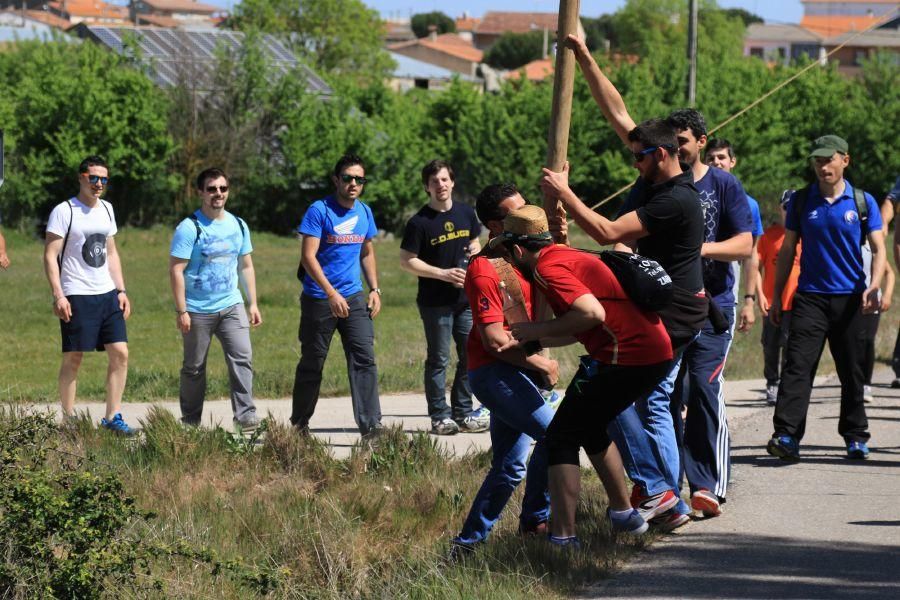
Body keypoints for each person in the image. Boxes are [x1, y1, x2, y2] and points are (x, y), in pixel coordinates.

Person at [544, 33, 746, 524]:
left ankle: (666, 491)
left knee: (643, 396)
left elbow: (611, 229)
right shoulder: (654, 172)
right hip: (660, 306)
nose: (631, 160)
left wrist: (564, 192)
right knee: (632, 397)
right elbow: (617, 112)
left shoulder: (674, 197)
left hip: (676, 314)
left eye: (640, 155)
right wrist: (585, 55)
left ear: (665, 154)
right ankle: (662, 493)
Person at [500, 205, 673, 544]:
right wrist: (535, 337)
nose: (507, 260)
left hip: (627, 356)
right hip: (650, 351)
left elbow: (591, 313)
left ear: (518, 249)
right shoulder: (566, 255)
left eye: (507, 253)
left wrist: (536, 327)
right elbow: (580, 326)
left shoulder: (548, 268)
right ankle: (625, 515)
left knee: (561, 437)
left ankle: (563, 538)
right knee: (589, 425)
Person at [450, 185, 560, 556]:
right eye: (518, 214)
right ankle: (535, 519)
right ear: (497, 225)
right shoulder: (484, 270)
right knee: (555, 436)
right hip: (495, 374)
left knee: (511, 466)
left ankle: (467, 544)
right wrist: (540, 362)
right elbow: (495, 341)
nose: (528, 216)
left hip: (520, 372)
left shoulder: (526, 256)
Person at [767, 135, 885, 461]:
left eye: (829, 159)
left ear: (845, 160)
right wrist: (777, 297)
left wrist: (874, 285)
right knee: (797, 367)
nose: (823, 166)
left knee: (852, 370)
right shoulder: (802, 201)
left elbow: (878, 248)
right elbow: (788, 249)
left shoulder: (863, 202)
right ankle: (786, 436)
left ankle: (855, 435)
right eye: (817, 160)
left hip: (850, 298)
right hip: (810, 298)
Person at [290, 154, 384, 438]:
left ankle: (371, 428)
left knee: (364, 359)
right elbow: (308, 257)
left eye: (359, 179)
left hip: (354, 297)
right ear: (336, 180)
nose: (353, 183)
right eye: (347, 178)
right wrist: (330, 294)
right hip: (320, 298)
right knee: (313, 363)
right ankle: (299, 427)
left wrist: (375, 289)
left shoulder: (364, 212)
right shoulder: (319, 210)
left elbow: (366, 252)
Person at [42, 156, 133, 434]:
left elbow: (112, 252)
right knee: (74, 356)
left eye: (104, 179)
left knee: (120, 353)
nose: (99, 184)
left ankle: (112, 418)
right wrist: (59, 295)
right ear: (81, 177)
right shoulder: (65, 211)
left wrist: (121, 290)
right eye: (94, 178)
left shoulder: (106, 209)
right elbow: (50, 255)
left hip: (106, 293)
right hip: (76, 294)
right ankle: (68, 421)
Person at [400, 160, 489, 435]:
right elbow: (407, 261)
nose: (441, 185)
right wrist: (441, 274)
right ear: (427, 187)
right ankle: (440, 416)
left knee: (470, 355)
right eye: (434, 181)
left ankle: (462, 412)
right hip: (435, 302)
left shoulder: (466, 213)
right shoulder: (419, 223)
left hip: (465, 300)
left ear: (452, 182)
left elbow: (476, 240)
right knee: (439, 359)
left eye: (445, 179)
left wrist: (475, 249)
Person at [169, 168, 262, 430]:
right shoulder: (189, 228)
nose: (218, 194)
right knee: (194, 368)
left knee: (242, 358)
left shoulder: (238, 225)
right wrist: (182, 310)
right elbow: (176, 270)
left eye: (223, 188)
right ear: (200, 192)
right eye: (211, 189)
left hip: (232, 305)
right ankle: (190, 421)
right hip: (197, 310)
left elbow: (246, 266)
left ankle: (245, 416)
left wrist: (252, 302)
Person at [704, 138, 764, 333]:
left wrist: (749, 301)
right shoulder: (694, 195)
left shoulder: (749, 204)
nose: (716, 162)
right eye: (711, 158)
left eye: (722, 157)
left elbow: (751, 255)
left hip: (727, 285)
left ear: (733, 161)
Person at [757, 191, 802, 405]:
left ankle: (787, 383)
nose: (789, 211)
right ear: (780, 209)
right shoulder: (768, 236)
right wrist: (758, 295)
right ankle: (772, 383)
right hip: (772, 301)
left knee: (792, 346)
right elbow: (755, 268)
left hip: (797, 303)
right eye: (786, 207)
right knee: (771, 345)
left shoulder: (806, 236)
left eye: (794, 207)